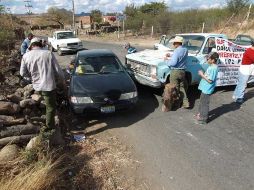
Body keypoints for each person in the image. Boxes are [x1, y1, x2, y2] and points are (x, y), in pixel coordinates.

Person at [20, 37, 66, 131]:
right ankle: (50, 127)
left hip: (36, 86)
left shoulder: (26, 56)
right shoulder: (48, 53)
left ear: (31, 46)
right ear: (40, 45)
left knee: (43, 103)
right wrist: (62, 82)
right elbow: (59, 72)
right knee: (51, 107)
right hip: (48, 86)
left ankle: (40, 119)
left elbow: (22, 73)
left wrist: (30, 79)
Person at [164, 36, 189, 108]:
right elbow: (180, 56)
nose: (173, 44)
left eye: (174, 43)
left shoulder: (176, 51)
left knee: (174, 89)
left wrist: (166, 60)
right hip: (182, 71)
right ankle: (185, 102)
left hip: (175, 71)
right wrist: (171, 55)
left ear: (178, 43)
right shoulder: (185, 49)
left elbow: (173, 63)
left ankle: (176, 104)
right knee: (182, 87)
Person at [195, 52, 219, 125]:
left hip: (207, 89)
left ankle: (203, 119)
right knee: (202, 101)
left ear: (213, 60)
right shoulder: (211, 66)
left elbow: (210, 80)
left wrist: (202, 74)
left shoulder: (213, 68)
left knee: (205, 103)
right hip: (205, 88)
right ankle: (200, 114)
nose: (207, 60)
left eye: (208, 59)